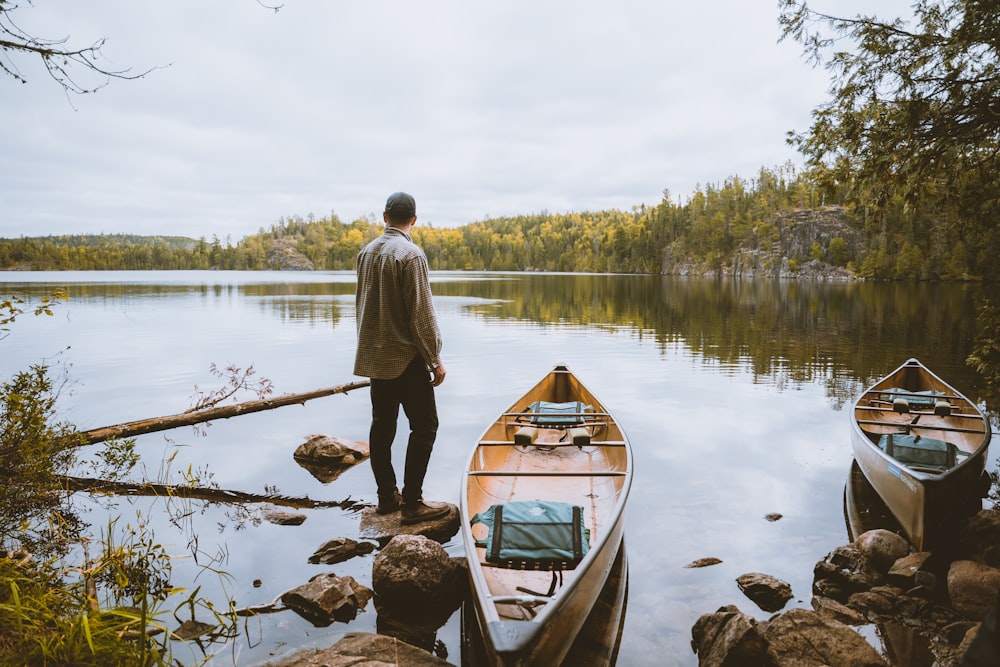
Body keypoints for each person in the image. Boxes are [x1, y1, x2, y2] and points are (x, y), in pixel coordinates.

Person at [354, 191, 450, 525]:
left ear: (384, 217)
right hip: (406, 358)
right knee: (425, 427)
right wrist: (434, 359)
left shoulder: (366, 252)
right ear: (414, 220)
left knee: (382, 428)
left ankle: (385, 497)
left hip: (377, 358)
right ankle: (411, 503)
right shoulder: (410, 254)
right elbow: (421, 315)